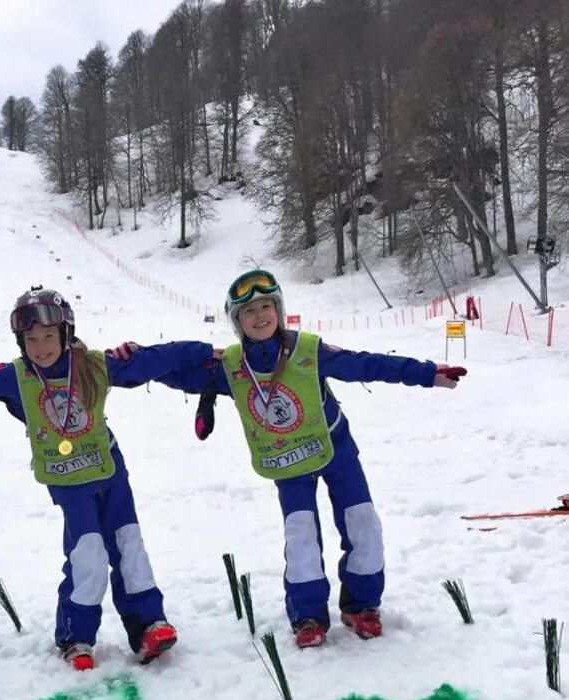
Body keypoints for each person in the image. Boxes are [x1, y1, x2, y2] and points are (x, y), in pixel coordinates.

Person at [0, 287, 216, 671]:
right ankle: (76, 635)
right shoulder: (17, 378)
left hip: (108, 468)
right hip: (67, 479)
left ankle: (147, 625)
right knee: (87, 551)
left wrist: (204, 352)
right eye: (31, 339)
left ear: (66, 334)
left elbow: (155, 360)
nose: (41, 347)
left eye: (48, 337)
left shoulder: (93, 366)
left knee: (129, 543)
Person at [156, 269, 467, 649]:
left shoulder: (308, 349)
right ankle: (307, 616)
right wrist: (127, 362)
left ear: (279, 309)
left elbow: (365, 364)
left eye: (267, 305)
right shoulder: (232, 365)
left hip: (335, 450)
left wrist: (426, 373)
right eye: (248, 310)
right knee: (301, 534)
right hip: (287, 462)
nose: (260, 315)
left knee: (363, 523)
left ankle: (361, 605)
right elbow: (174, 372)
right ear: (237, 321)